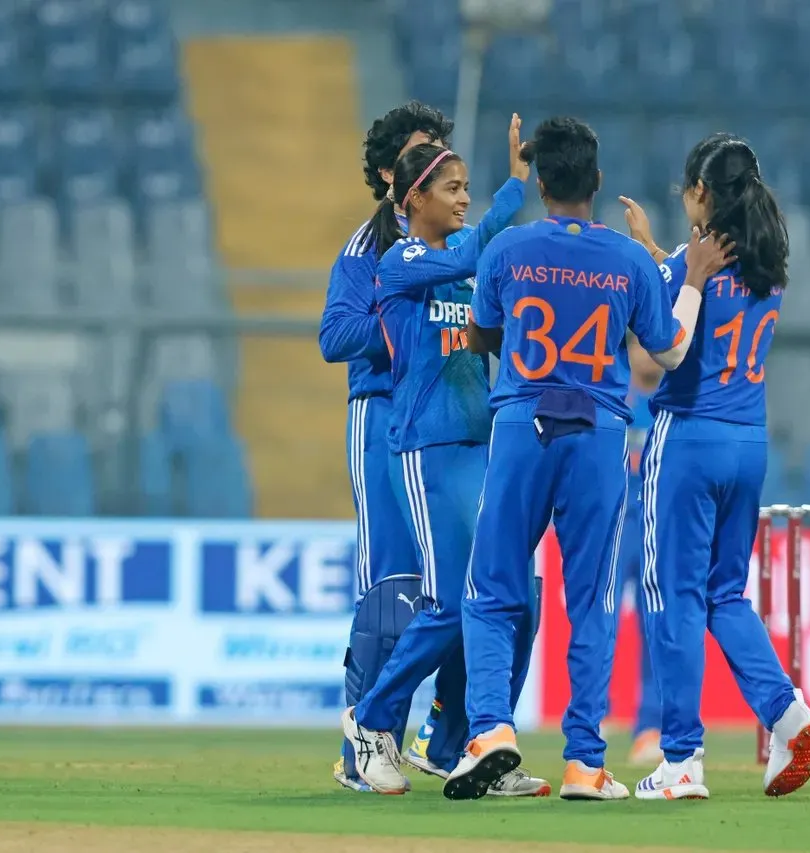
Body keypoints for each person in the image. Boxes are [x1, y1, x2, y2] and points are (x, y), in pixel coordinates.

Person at [442, 116, 735, 802]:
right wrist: (689, 278)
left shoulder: (509, 249)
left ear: (541, 181)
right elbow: (669, 353)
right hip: (600, 434)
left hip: (520, 426)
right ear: (596, 182)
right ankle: (583, 761)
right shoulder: (629, 261)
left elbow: (483, 330)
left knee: (490, 588)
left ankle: (489, 727)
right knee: (593, 596)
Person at [341, 117, 549, 798]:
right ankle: (372, 721)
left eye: (470, 188)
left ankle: (478, 743)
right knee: (452, 602)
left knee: (514, 596)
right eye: (454, 188)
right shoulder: (401, 261)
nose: (465, 198)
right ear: (414, 199)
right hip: (424, 450)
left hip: (478, 445)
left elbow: (486, 306)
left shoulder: (458, 261)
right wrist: (517, 186)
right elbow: (473, 253)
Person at [619, 134, 810, 801]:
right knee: (725, 594)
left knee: (673, 596)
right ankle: (789, 715)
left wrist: (656, 264)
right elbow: (689, 280)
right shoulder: (770, 269)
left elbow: (659, 357)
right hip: (749, 441)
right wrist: (661, 257)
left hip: (686, 439)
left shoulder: (689, 267)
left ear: (701, 195)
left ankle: (680, 757)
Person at [319, 101, 469, 794]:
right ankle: (363, 749)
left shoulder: (455, 244)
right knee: (393, 587)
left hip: (448, 422)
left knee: (470, 581)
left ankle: (446, 737)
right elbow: (334, 338)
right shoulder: (365, 251)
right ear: (390, 176)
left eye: (441, 152)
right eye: (420, 155)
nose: (437, 166)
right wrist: (395, 307)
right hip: (381, 415)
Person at [620, 341, 664, 766]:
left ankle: (649, 727)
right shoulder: (615, 393)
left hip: (656, 525)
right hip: (616, 525)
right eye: (643, 348)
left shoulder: (670, 399)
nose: (650, 356)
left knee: (654, 627)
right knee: (599, 619)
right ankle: (588, 717)